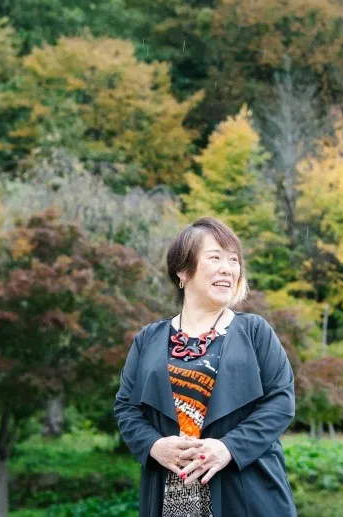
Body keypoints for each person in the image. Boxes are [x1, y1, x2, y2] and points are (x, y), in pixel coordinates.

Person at [114, 217, 298, 517]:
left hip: (246, 490)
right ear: (183, 271)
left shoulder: (254, 331)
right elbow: (126, 407)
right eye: (215, 258)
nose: (228, 269)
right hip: (171, 494)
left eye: (234, 260)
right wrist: (153, 445)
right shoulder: (148, 339)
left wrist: (229, 448)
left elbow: (281, 401)